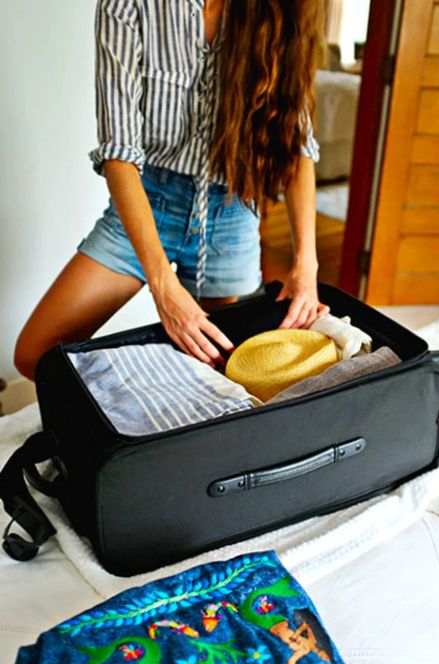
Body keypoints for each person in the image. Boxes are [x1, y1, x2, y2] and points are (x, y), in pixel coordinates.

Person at [15, 0, 329, 381]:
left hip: (231, 212)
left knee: (222, 369)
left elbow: (296, 146)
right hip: (149, 201)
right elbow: (119, 154)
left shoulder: (280, 10)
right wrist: (163, 289)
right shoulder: (128, 5)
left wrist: (306, 266)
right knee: (35, 354)